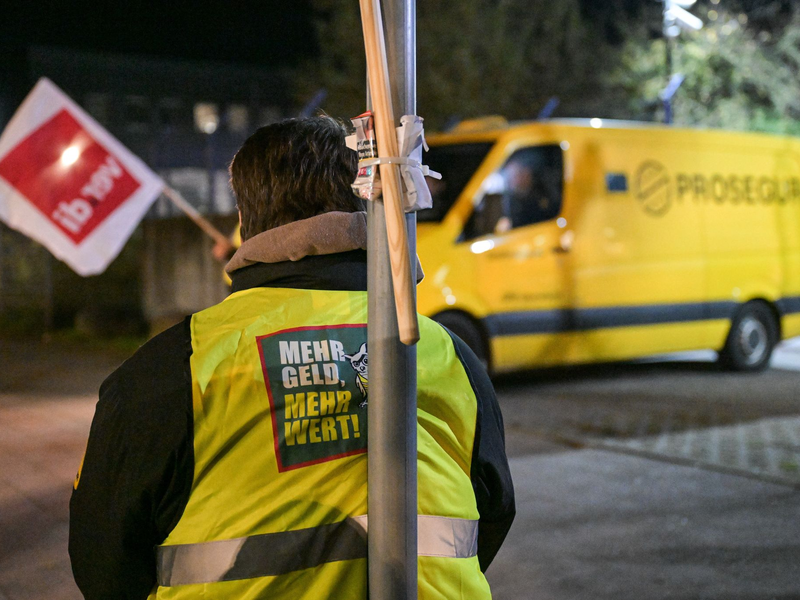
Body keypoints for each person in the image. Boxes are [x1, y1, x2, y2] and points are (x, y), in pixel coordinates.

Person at [69, 116, 515, 599]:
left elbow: (104, 564)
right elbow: (489, 516)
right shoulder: (447, 353)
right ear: (363, 201)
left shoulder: (171, 370)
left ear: (246, 221)